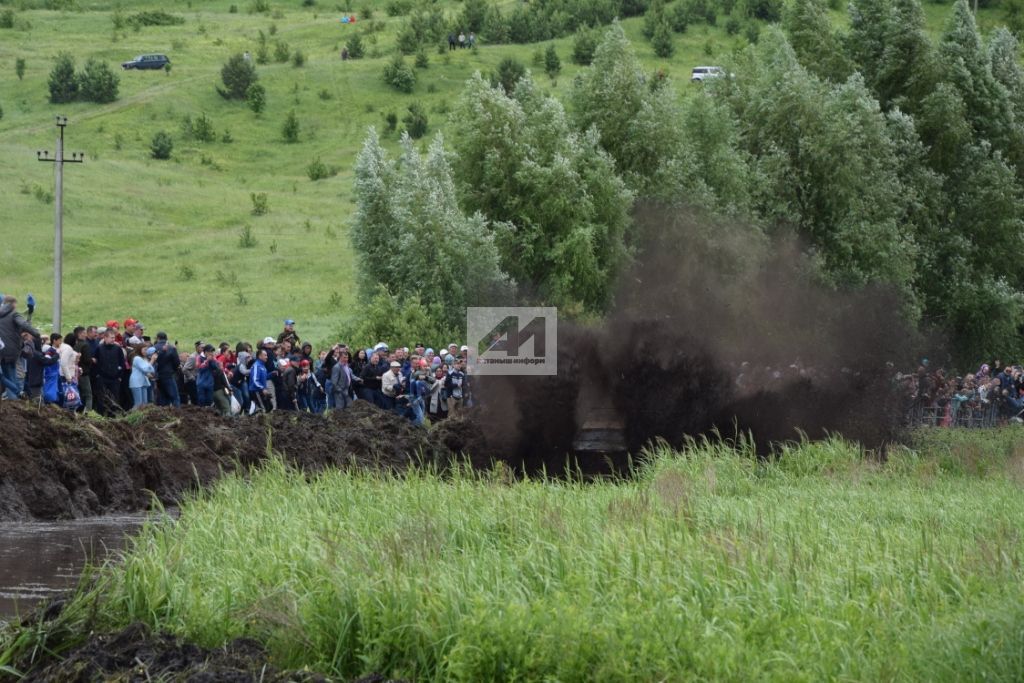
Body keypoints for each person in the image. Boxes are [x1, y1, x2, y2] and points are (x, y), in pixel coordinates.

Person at [0, 295, 40, 399]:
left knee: (7, 376)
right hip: (12, 351)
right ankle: (17, 396)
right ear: (13, 304)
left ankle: (16, 397)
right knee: (10, 375)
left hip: (2, 351)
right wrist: (36, 333)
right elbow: (24, 324)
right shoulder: (14, 314)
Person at [94, 328, 126, 415]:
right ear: (105, 337)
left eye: (114, 337)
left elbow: (122, 363)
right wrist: (98, 375)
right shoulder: (99, 348)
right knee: (102, 397)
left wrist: (119, 376)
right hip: (102, 377)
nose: (113, 339)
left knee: (114, 398)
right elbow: (95, 362)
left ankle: (113, 415)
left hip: (115, 378)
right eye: (111, 338)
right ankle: (101, 415)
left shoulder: (117, 348)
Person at [154, 332, 181, 407]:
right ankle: (177, 413)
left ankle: (165, 415)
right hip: (169, 375)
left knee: (163, 396)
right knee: (175, 397)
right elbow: (177, 362)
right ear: (166, 338)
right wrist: (174, 370)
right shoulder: (171, 348)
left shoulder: (154, 347)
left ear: (158, 338)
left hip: (158, 375)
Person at [74, 326, 94, 412]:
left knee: (80, 393)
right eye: (84, 333)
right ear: (80, 334)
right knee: (88, 395)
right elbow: (86, 359)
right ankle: (88, 413)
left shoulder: (76, 345)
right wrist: (92, 360)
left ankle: (78, 411)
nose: (86, 334)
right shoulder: (85, 345)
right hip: (84, 373)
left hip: (76, 372)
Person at [249, 348, 270, 413]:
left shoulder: (262, 366)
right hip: (256, 391)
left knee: (269, 407)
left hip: (261, 390)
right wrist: (262, 388)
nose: (267, 357)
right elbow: (255, 380)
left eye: (266, 355)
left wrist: (272, 374)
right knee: (263, 409)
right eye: (265, 355)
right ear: (260, 356)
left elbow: (264, 378)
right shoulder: (256, 366)